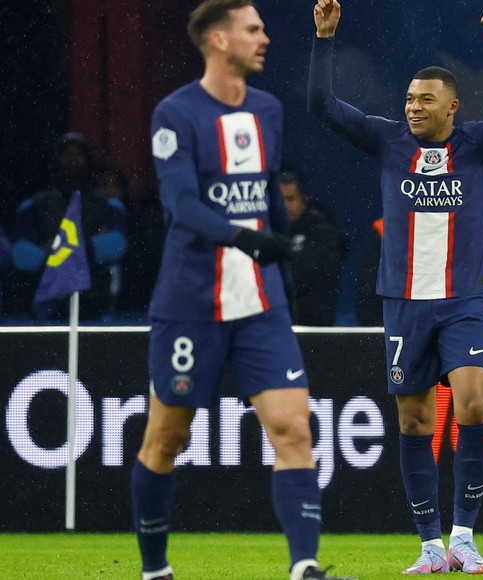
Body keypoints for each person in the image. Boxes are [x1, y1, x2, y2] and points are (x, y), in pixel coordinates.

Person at [308, 0, 483, 574]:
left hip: (464, 300)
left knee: (473, 404)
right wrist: (325, 39)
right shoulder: (389, 141)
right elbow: (321, 106)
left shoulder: (480, 143)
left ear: (452, 108)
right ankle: (431, 547)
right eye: (409, 99)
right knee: (415, 421)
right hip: (404, 303)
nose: (413, 108)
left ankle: (465, 537)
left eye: (424, 100)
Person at [132, 2, 353, 580]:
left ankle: (305, 566)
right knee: (167, 436)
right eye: (254, 30)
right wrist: (242, 238)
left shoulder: (267, 109)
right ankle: (155, 570)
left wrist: (280, 242)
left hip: (260, 300)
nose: (265, 38)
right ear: (218, 39)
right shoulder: (174, 113)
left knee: (295, 428)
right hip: (191, 302)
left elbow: (270, 193)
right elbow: (179, 205)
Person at [9, 132, 128, 321]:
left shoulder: (108, 206)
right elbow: (19, 252)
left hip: (93, 301)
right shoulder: (33, 205)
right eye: (67, 154)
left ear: (88, 160)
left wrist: (69, 249)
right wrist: (56, 260)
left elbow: (117, 244)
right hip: (45, 300)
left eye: (78, 154)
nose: (73, 159)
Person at [279, 169, 348, 326]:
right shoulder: (265, 230)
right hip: (275, 321)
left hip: (312, 323)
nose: (285, 205)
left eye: (290, 199)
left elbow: (316, 279)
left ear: (304, 199)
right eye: (280, 199)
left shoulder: (322, 230)